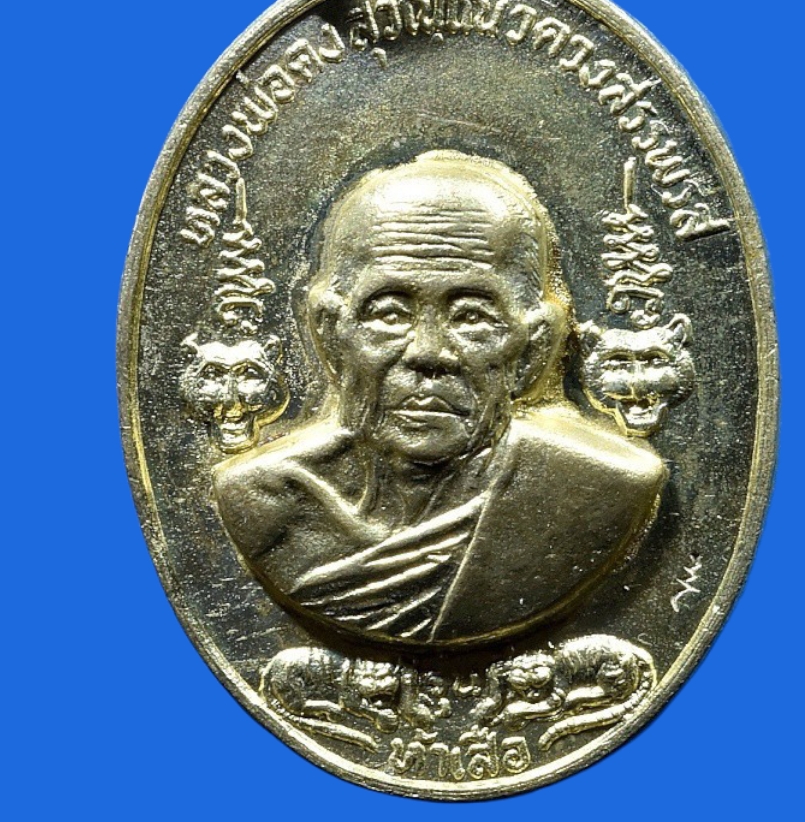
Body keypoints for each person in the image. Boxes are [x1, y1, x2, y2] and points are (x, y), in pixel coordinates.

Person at [214, 150, 666, 647]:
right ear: (330, 333)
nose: (428, 353)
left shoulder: (595, 494)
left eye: (471, 316)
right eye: (389, 313)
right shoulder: (265, 502)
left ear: (533, 349)